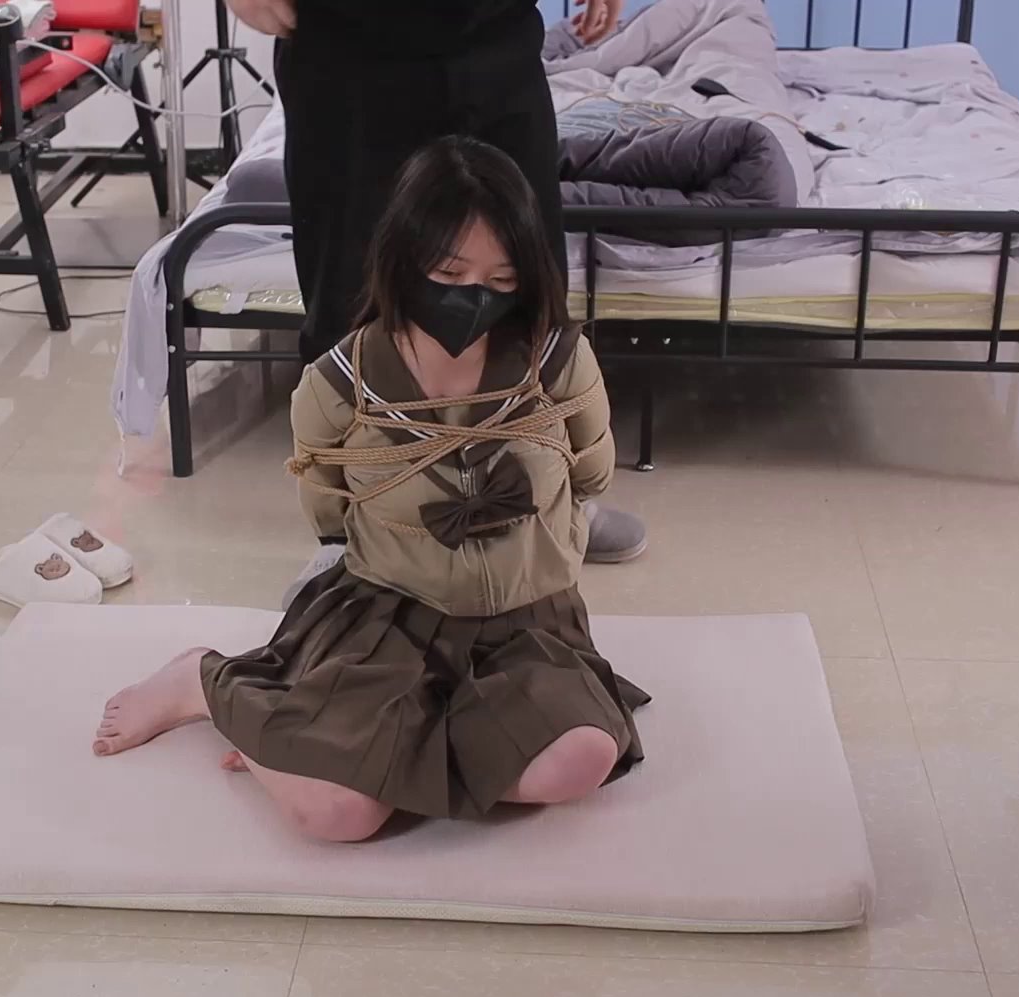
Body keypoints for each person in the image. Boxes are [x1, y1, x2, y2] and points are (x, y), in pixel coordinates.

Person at [95, 137, 647, 842]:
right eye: (450, 272)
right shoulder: (338, 384)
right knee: (337, 817)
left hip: (527, 625)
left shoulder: (558, 360)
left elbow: (592, 474)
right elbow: (329, 517)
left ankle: (357, 757)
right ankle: (203, 685)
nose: (475, 295)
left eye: (502, 278)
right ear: (403, 257)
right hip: (389, 619)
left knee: (581, 760)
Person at [229, 0, 649, 581]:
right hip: (348, 42)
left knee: (524, 262)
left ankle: (553, 494)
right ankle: (342, 532)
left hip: (495, 30)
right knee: (350, 283)